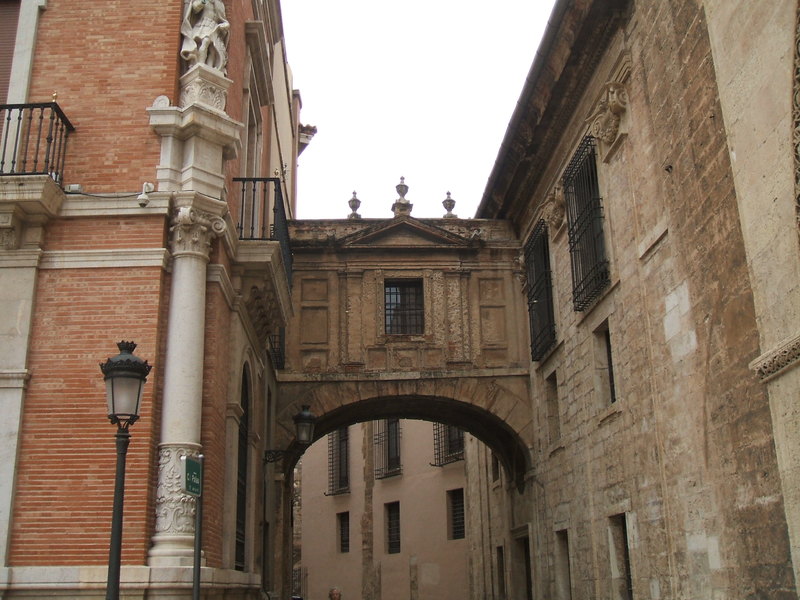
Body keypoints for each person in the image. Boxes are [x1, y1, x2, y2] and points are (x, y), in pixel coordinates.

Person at [180, 0, 230, 72]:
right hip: (204, 24)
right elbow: (195, 8)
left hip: (214, 27)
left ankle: (209, 66)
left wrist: (226, 24)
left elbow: (222, 19)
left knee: (213, 49)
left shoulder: (220, 4)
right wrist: (202, 2)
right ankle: (200, 62)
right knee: (206, 41)